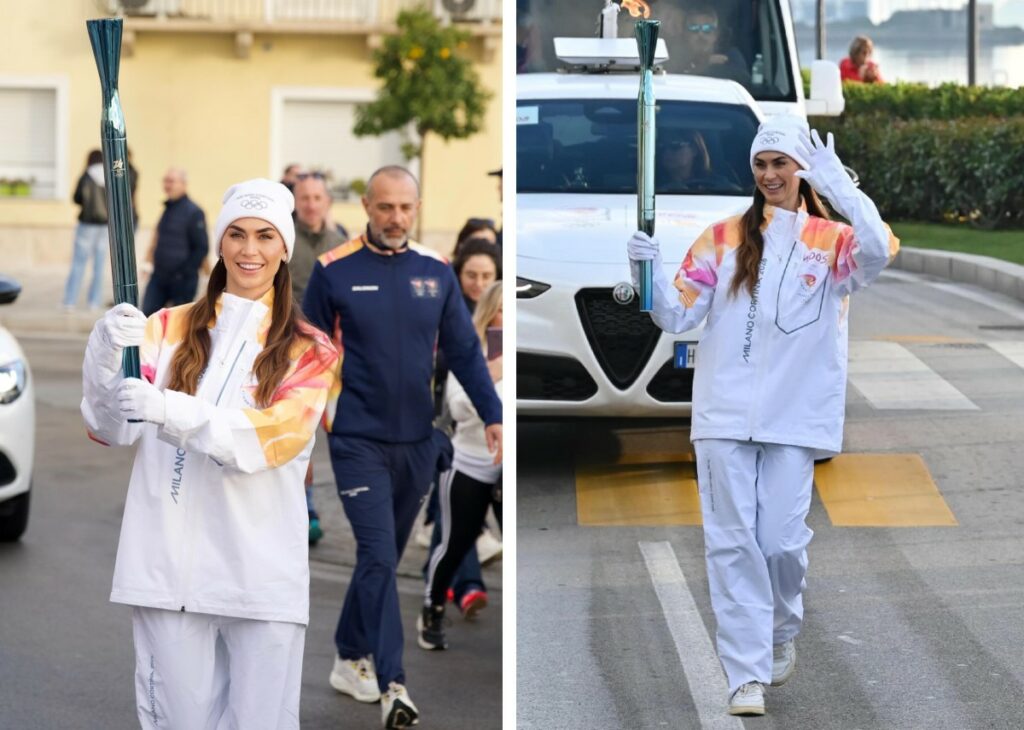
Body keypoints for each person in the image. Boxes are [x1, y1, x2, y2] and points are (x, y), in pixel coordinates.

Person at [626, 116, 899, 716]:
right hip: (723, 414)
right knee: (731, 543)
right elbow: (675, 317)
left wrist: (842, 186)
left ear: (802, 169)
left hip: (795, 416)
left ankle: (779, 630)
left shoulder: (833, 242)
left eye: (781, 163)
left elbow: (879, 249)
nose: (770, 174)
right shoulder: (722, 238)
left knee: (778, 540)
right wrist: (644, 273)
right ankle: (744, 674)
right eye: (761, 164)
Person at [80, 178, 339, 729]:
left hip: (260, 575)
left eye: (266, 236)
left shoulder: (310, 350)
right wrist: (103, 356)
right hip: (167, 568)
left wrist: (169, 410)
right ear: (219, 243)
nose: (250, 250)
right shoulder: (165, 328)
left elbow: (272, 440)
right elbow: (113, 427)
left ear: (285, 249)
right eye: (237, 234)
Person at [302, 165, 502, 729]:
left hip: (416, 444)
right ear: (366, 205)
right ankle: (393, 682)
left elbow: (464, 351)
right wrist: (305, 429)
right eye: (385, 207)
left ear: (417, 208)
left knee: (377, 561)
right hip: (358, 441)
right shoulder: (332, 271)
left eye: (405, 208)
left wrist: (493, 414)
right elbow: (307, 359)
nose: (395, 218)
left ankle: (347, 656)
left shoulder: (436, 272)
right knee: (379, 558)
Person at [419, 281, 503, 651]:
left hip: (506, 467)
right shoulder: (471, 351)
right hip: (468, 461)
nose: (506, 319)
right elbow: (456, 407)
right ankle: (433, 607)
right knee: (455, 543)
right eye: (500, 310)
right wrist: (491, 374)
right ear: (488, 313)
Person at [289, 172, 347, 546]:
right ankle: (303, 509)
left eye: (316, 198)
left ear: (327, 202)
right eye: (304, 197)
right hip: (289, 353)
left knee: (339, 435)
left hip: (333, 360)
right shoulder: (283, 242)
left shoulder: (341, 244)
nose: (311, 204)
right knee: (299, 434)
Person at [141, 168, 208, 316]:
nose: (167, 185)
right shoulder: (168, 208)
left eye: (171, 181)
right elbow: (158, 239)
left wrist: (184, 273)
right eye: (165, 181)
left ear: (183, 184)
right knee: (147, 318)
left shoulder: (194, 212)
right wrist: (148, 262)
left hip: (182, 281)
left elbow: (201, 247)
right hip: (159, 277)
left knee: (178, 325)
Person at [62, 150, 110, 311]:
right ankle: (94, 302)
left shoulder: (86, 176)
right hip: (104, 224)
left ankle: (70, 301)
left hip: (87, 224)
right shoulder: (109, 175)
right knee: (99, 264)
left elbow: (76, 198)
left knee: (78, 263)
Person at [676, 2, 750, 85]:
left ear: (716, 34)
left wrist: (713, 67)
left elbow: (743, 79)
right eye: (694, 28)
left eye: (707, 28)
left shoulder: (730, 56)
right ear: (685, 34)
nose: (701, 34)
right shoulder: (675, 57)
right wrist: (704, 64)